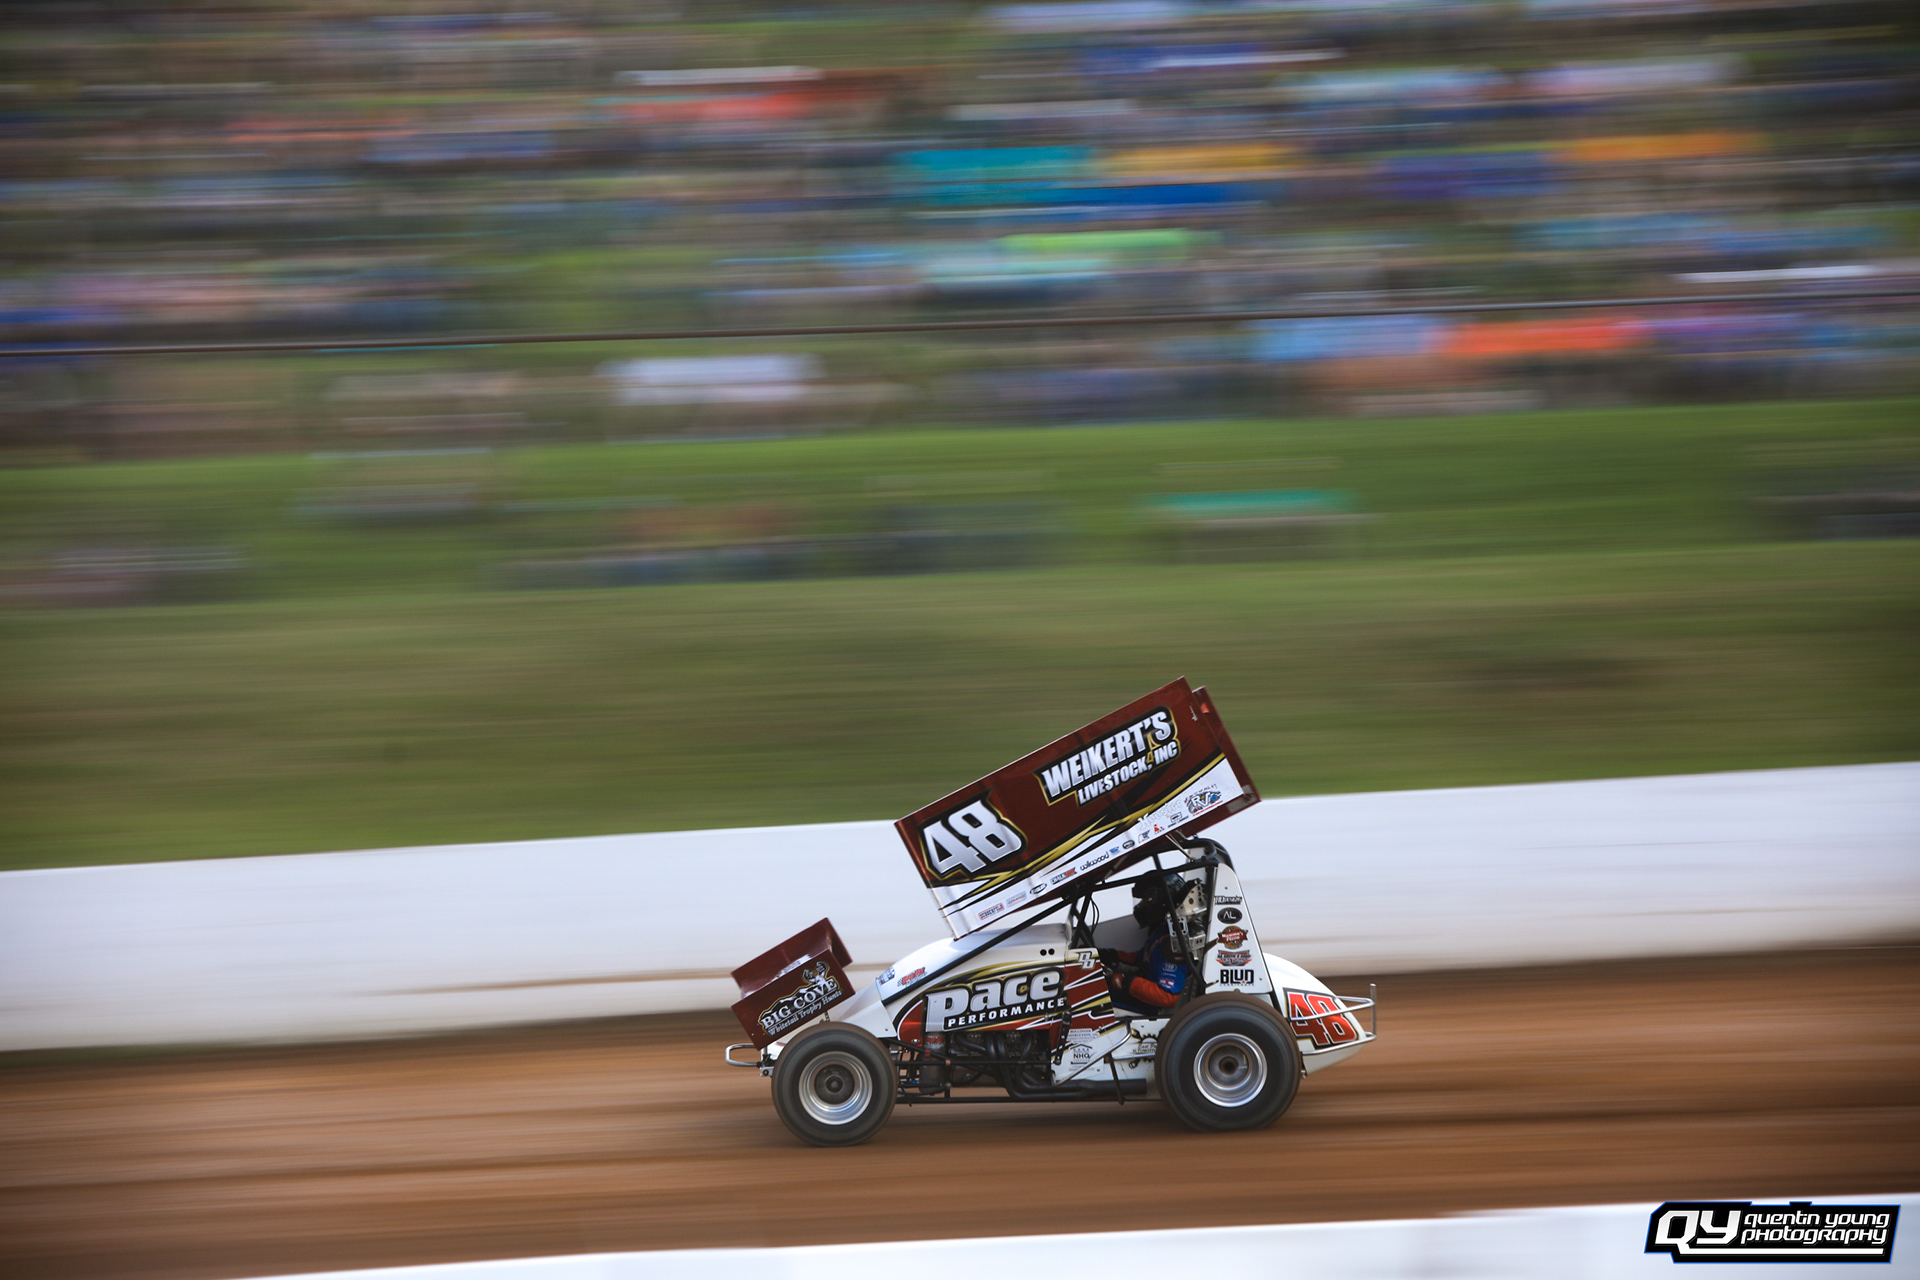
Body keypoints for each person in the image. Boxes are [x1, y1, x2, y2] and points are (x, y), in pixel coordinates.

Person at [1103, 873, 1190, 1014]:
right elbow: (1141, 960)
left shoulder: (1171, 943)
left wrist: (1126, 982)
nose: (1140, 906)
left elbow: (1168, 996)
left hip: (1147, 1010)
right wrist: (1108, 956)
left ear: (1159, 901)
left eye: (1145, 900)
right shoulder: (1161, 931)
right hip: (1140, 1000)